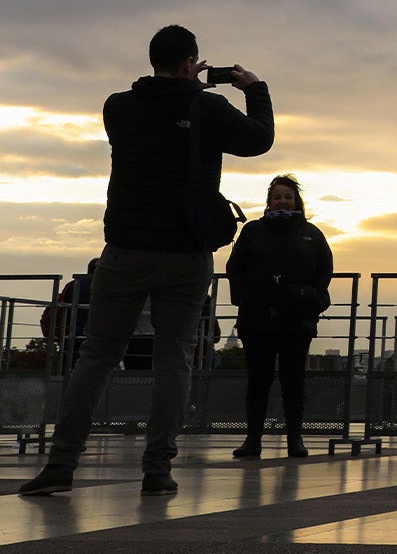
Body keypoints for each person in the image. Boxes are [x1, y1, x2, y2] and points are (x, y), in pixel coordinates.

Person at [20, 25, 273, 498]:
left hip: (125, 251)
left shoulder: (118, 107)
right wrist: (253, 88)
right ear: (188, 63)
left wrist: (186, 89)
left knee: (95, 357)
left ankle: (61, 463)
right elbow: (259, 140)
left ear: (154, 59)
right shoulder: (207, 107)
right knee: (172, 359)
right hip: (184, 253)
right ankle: (157, 469)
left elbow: (158, 116)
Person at [225, 174, 333, 459]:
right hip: (257, 319)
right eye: (277, 196)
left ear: (296, 201)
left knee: (293, 379)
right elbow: (234, 267)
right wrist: (245, 299)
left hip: (296, 321)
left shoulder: (311, 233)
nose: (282, 201)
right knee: (258, 379)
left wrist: (310, 297)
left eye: (288, 196)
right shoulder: (252, 231)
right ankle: (253, 440)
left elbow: (325, 271)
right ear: (269, 201)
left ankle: (295, 439)